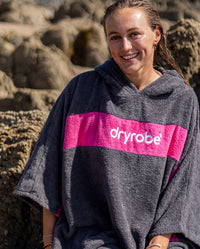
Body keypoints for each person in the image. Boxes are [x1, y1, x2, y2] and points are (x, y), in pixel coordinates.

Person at [14, 0, 200, 248]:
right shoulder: (81, 91)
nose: (125, 47)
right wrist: (48, 243)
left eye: (134, 34)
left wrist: (158, 244)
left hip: (164, 241)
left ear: (156, 34)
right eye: (115, 37)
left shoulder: (181, 100)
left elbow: (184, 188)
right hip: (88, 240)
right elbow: (48, 170)